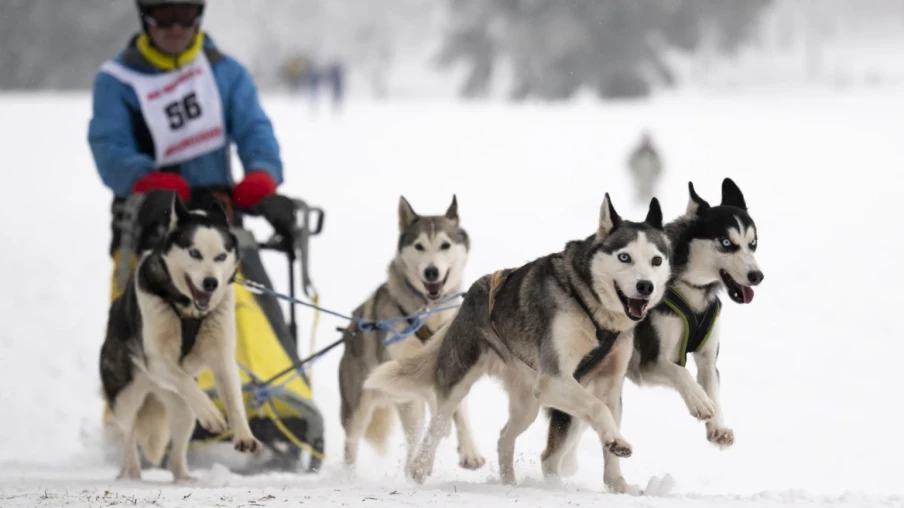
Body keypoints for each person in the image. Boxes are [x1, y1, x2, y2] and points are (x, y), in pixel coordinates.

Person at [88, 0, 324, 470]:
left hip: (218, 218)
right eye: (163, 17)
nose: (175, 28)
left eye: (185, 16)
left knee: (244, 295)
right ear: (144, 19)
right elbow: (109, 145)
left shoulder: (222, 71)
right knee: (142, 323)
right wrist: (144, 178)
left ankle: (274, 399)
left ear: (199, 17)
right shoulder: (118, 80)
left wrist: (261, 175)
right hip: (151, 214)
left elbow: (255, 129)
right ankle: (133, 422)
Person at [627, 131, 663, 206]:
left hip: (650, 179)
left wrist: (656, 175)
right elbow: (630, 163)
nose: (646, 142)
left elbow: (659, 165)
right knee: (639, 195)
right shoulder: (637, 152)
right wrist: (635, 173)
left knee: (650, 197)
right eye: (645, 140)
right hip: (639, 178)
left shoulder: (653, 153)